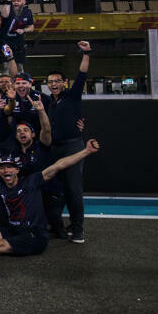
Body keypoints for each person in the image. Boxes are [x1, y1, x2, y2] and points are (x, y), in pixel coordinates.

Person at [0, 140, 100, 261]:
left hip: (34, 236)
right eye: (2, 168)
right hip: (13, 231)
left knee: (0, 246)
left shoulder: (31, 182)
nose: (6, 170)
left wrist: (86, 151)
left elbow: (59, 165)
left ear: (17, 170)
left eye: (10, 167)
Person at [44, 41, 92, 244]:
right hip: (55, 148)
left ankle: (78, 230)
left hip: (72, 146)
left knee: (73, 189)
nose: (53, 84)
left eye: (57, 81)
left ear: (64, 82)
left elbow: (82, 75)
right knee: (58, 190)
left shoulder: (72, 96)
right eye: (50, 82)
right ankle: (63, 225)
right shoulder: (50, 102)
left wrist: (87, 53)